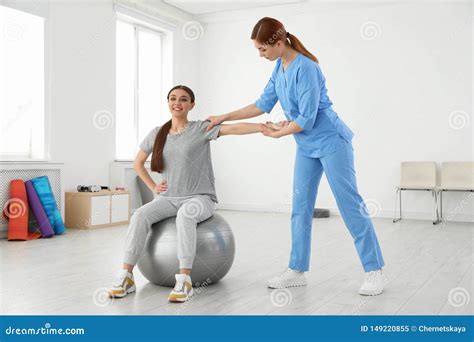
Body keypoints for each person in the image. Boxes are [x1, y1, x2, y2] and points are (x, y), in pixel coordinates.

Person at [207, 17, 386, 296]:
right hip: (306, 145)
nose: (260, 55)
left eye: (262, 50)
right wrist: (223, 116)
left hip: (331, 140)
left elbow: (306, 117)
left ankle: (374, 270)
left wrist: (278, 132)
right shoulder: (280, 67)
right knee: (300, 206)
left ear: (278, 43)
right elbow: (262, 104)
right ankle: (297, 270)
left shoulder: (307, 67)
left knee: (350, 204)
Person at [108, 85, 263, 303]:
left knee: (186, 215)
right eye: (172, 98)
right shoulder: (158, 133)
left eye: (183, 99)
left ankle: (184, 280)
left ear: (192, 105)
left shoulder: (200, 128)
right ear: (168, 102)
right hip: (168, 198)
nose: (177, 103)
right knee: (139, 215)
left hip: (200, 197)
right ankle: (126, 276)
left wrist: (263, 127)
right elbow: (138, 163)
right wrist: (153, 187)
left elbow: (233, 129)